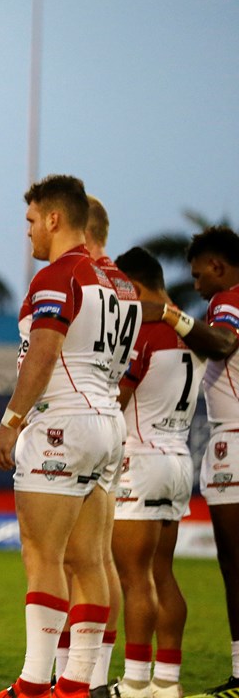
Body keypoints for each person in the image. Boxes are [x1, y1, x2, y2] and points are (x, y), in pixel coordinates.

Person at [0, 175, 122, 698]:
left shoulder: (58, 275)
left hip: (63, 421)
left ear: (54, 218)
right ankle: (76, 683)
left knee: (43, 555)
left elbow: (43, 352)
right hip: (107, 421)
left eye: (30, 221)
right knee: (89, 560)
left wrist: (11, 422)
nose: (27, 232)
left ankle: (33, 684)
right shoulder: (114, 282)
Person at [141, 225, 239, 698]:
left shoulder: (228, 300)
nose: (196, 285)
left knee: (234, 564)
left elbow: (222, 343)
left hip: (233, 441)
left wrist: (168, 314)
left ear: (218, 267)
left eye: (199, 275)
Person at [56, 196, 141, 697]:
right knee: (97, 559)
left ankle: (64, 675)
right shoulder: (124, 286)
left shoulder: (81, 278)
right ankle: (94, 675)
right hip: (111, 419)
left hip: (75, 418)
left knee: (68, 558)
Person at [110, 247, 197, 698]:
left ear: (135, 287)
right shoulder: (190, 329)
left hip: (141, 460)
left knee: (134, 578)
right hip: (178, 458)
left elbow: (118, 398)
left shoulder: (144, 330)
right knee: (162, 573)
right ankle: (167, 680)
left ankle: (136, 681)